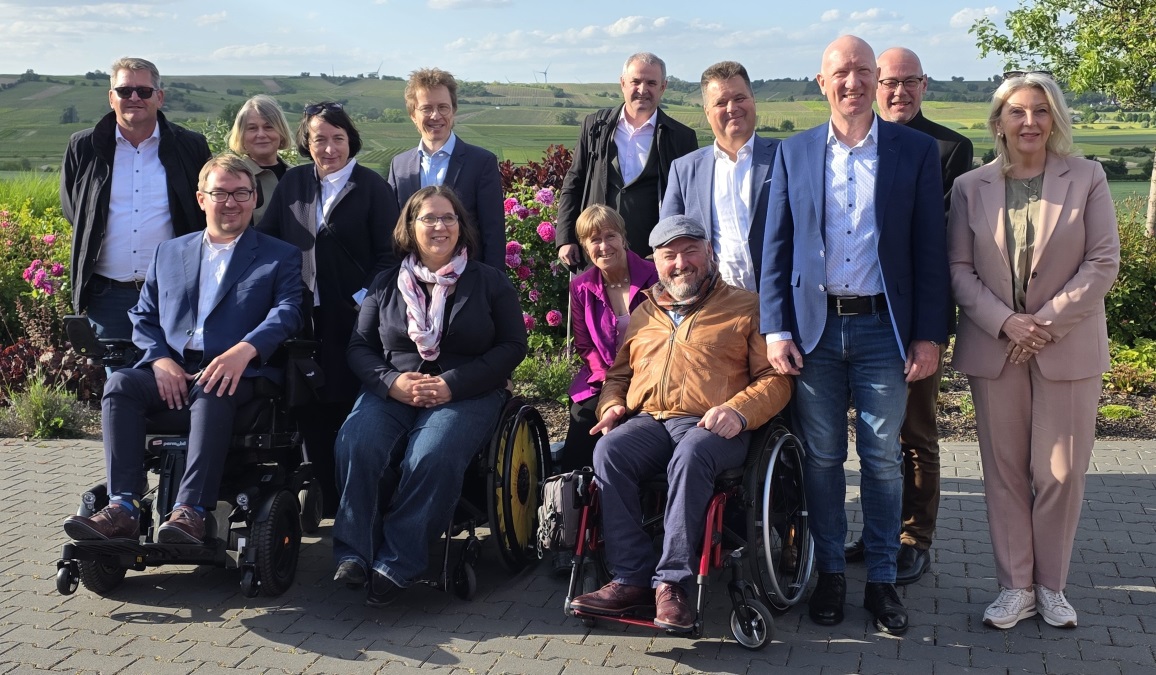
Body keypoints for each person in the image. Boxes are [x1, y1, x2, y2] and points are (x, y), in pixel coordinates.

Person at [758, 35, 949, 636]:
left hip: (881, 334)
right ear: (821, 82)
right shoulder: (794, 152)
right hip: (814, 334)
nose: (853, 82)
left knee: (883, 461)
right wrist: (774, 327)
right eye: (841, 72)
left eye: (863, 71)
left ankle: (885, 581)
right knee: (821, 458)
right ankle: (832, 574)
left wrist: (928, 335)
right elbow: (776, 247)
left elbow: (928, 252)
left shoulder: (914, 152)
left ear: (877, 78)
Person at [948, 72, 1119, 630]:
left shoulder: (1087, 177)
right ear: (998, 122)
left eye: (1041, 112)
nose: (1030, 122)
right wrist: (1006, 323)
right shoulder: (970, 187)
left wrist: (1039, 325)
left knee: (1062, 473)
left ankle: (1052, 586)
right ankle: (1015, 587)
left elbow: (1102, 263)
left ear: (1056, 119)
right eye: (1017, 112)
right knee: (1002, 471)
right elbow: (959, 269)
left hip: (1066, 346)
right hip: (995, 348)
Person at [61, 154, 304, 543]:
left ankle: (190, 511)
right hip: (172, 368)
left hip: (239, 373)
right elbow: (143, 315)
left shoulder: (279, 256)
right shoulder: (169, 252)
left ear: (255, 197)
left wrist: (244, 350)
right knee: (120, 384)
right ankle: (123, 506)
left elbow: (289, 311)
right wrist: (158, 359)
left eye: (242, 193)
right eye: (220, 192)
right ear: (201, 198)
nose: (232, 202)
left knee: (214, 386)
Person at [570, 215, 792, 632]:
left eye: (690, 250)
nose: (680, 262)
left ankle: (672, 585)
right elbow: (618, 375)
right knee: (609, 450)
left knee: (691, 455)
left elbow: (776, 380)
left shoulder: (746, 306)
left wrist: (738, 410)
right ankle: (630, 577)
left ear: (709, 253)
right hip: (651, 420)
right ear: (655, 261)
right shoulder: (645, 313)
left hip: (715, 426)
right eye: (669, 255)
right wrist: (613, 406)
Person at [331, 185, 527, 607]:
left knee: (432, 455)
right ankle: (354, 552)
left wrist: (453, 382)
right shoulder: (385, 284)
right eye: (429, 219)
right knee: (356, 442)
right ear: (410, 227)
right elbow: (359, 347)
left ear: (461, 226)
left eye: (448, 218)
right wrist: (390, 383)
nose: (440, 226)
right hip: (395, 389)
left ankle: (399, 560)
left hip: (468, 392)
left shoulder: (489, 281)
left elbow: (513, 345)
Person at [843, 47, 975, 585]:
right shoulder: (856, 145)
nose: (900, 92)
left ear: (925, 86)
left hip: (913, 313)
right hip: (857, 311)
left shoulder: (945, 147)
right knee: (869, 436)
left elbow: (932, 237)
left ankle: (914, 538)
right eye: (890, 83)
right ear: (874, 86)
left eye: (910, 82)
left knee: (914, 432)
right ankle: (877, 533)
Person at [257, 102, 400, 516]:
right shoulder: (294, 184)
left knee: (348, 403)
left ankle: (361, 499)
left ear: (350, 140)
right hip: (301, 319)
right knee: (308, 407)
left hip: (353, 317)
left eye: (338, 138)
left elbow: (391, 257)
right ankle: (326, 495)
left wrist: (361, 300)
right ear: (307, 142)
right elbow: (267, 242)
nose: (329, 147)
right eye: (320, 138)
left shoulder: (371, 187)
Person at [62, 57, 211, 340]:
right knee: (116, 380)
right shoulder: (83, 147)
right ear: (111, 97)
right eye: (124, 91)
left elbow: (203, 209)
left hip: (176, 292)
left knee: (176, 378)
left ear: (159, 97)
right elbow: (76, 210)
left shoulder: (190, 146)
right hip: (107, 296)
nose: (133, 98)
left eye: (143, 91)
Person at [555, 53, 698, 264]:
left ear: (663, 87)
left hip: (652, 257)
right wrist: (565, 237)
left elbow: (690, 201)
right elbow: (574, 181)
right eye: (636, 81)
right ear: (622, 83)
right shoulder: (595, 127)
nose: (643, 90)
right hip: (597, 251)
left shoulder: (682, 138)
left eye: (651, 83)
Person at [660, 60, 779, 291]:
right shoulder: (684, 170)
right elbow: (668, 243)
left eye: (740, 98)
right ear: (707, 112)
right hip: (715, 305)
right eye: (721, 102)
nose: (732, 108)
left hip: (780, 301)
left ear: (753, 101)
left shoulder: (786, 157)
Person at [560, 204, 658, 473]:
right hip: (603, 377)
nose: (604, 246)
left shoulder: (655, 276)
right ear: (584, 245)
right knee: (583, 421)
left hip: (652, 374)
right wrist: (607, 378)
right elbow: (584, 344)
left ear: (623, 238)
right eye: (594, 239)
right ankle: (578, 501)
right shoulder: (580, 287)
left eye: (610, 236)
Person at [388, 68, 505, 268]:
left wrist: (493, 288)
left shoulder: (481, 162)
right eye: (426, 108)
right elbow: (393, 230)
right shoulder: (399, 166)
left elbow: (493, 233)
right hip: (413, 285)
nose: (436, 116)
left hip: (468, 283)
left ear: (453, 111)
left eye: (443, 107)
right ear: (413, 114)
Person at [227, 94, 294, 225]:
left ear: (281, 132)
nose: (261, 134)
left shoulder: (299, 176)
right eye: (252, 128)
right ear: (241, 135)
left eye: (268, 127)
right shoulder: (232, 177)